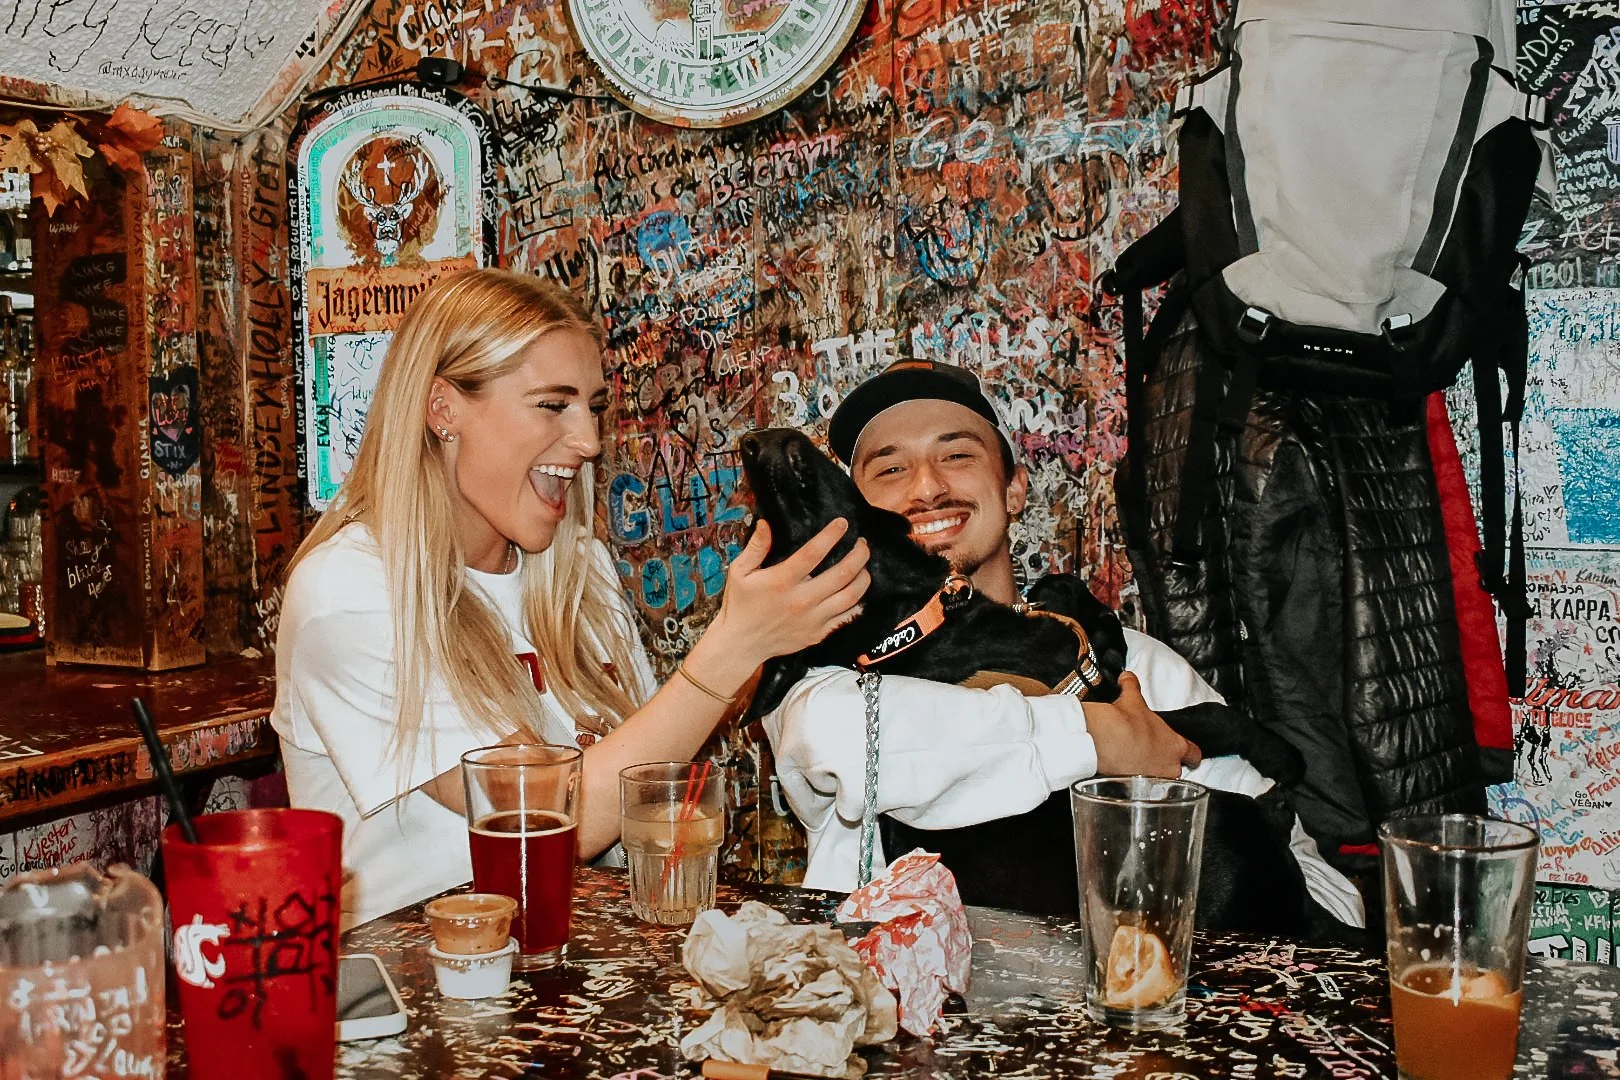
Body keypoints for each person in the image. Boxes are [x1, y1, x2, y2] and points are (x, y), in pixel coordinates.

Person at [270, 270, 870, 929]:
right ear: (443, 409)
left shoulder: (577, 568)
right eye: (553, 405)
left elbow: (641, 791)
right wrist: (733, 649)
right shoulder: (350, 590)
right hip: (421, 980)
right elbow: (549, 819)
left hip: (579, 966)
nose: (588, 441)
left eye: (592, 407)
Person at [761, 360, 1364, 927]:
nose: (927, 486)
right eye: (890, 470)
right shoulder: (832, 678)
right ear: (859, 520)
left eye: (957, 454)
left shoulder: (1137, 667)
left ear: (1014, 490)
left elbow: (1330, 898)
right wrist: (1099, 737)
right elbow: (845, 741)